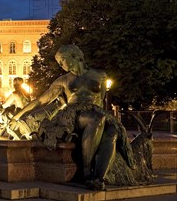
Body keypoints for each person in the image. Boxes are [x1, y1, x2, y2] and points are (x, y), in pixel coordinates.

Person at [12, 45, 134, 190]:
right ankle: (87, 171)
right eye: (59, 62)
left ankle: (99, 178)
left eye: (62, 60)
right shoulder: (63, 80)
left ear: (74, 56)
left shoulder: (100, 75)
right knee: (96, 119)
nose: (61, 64)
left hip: (96, 112)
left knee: (113, 131)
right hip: (73, 116)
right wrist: (17, 117)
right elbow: (40, 101)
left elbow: (100, 100)